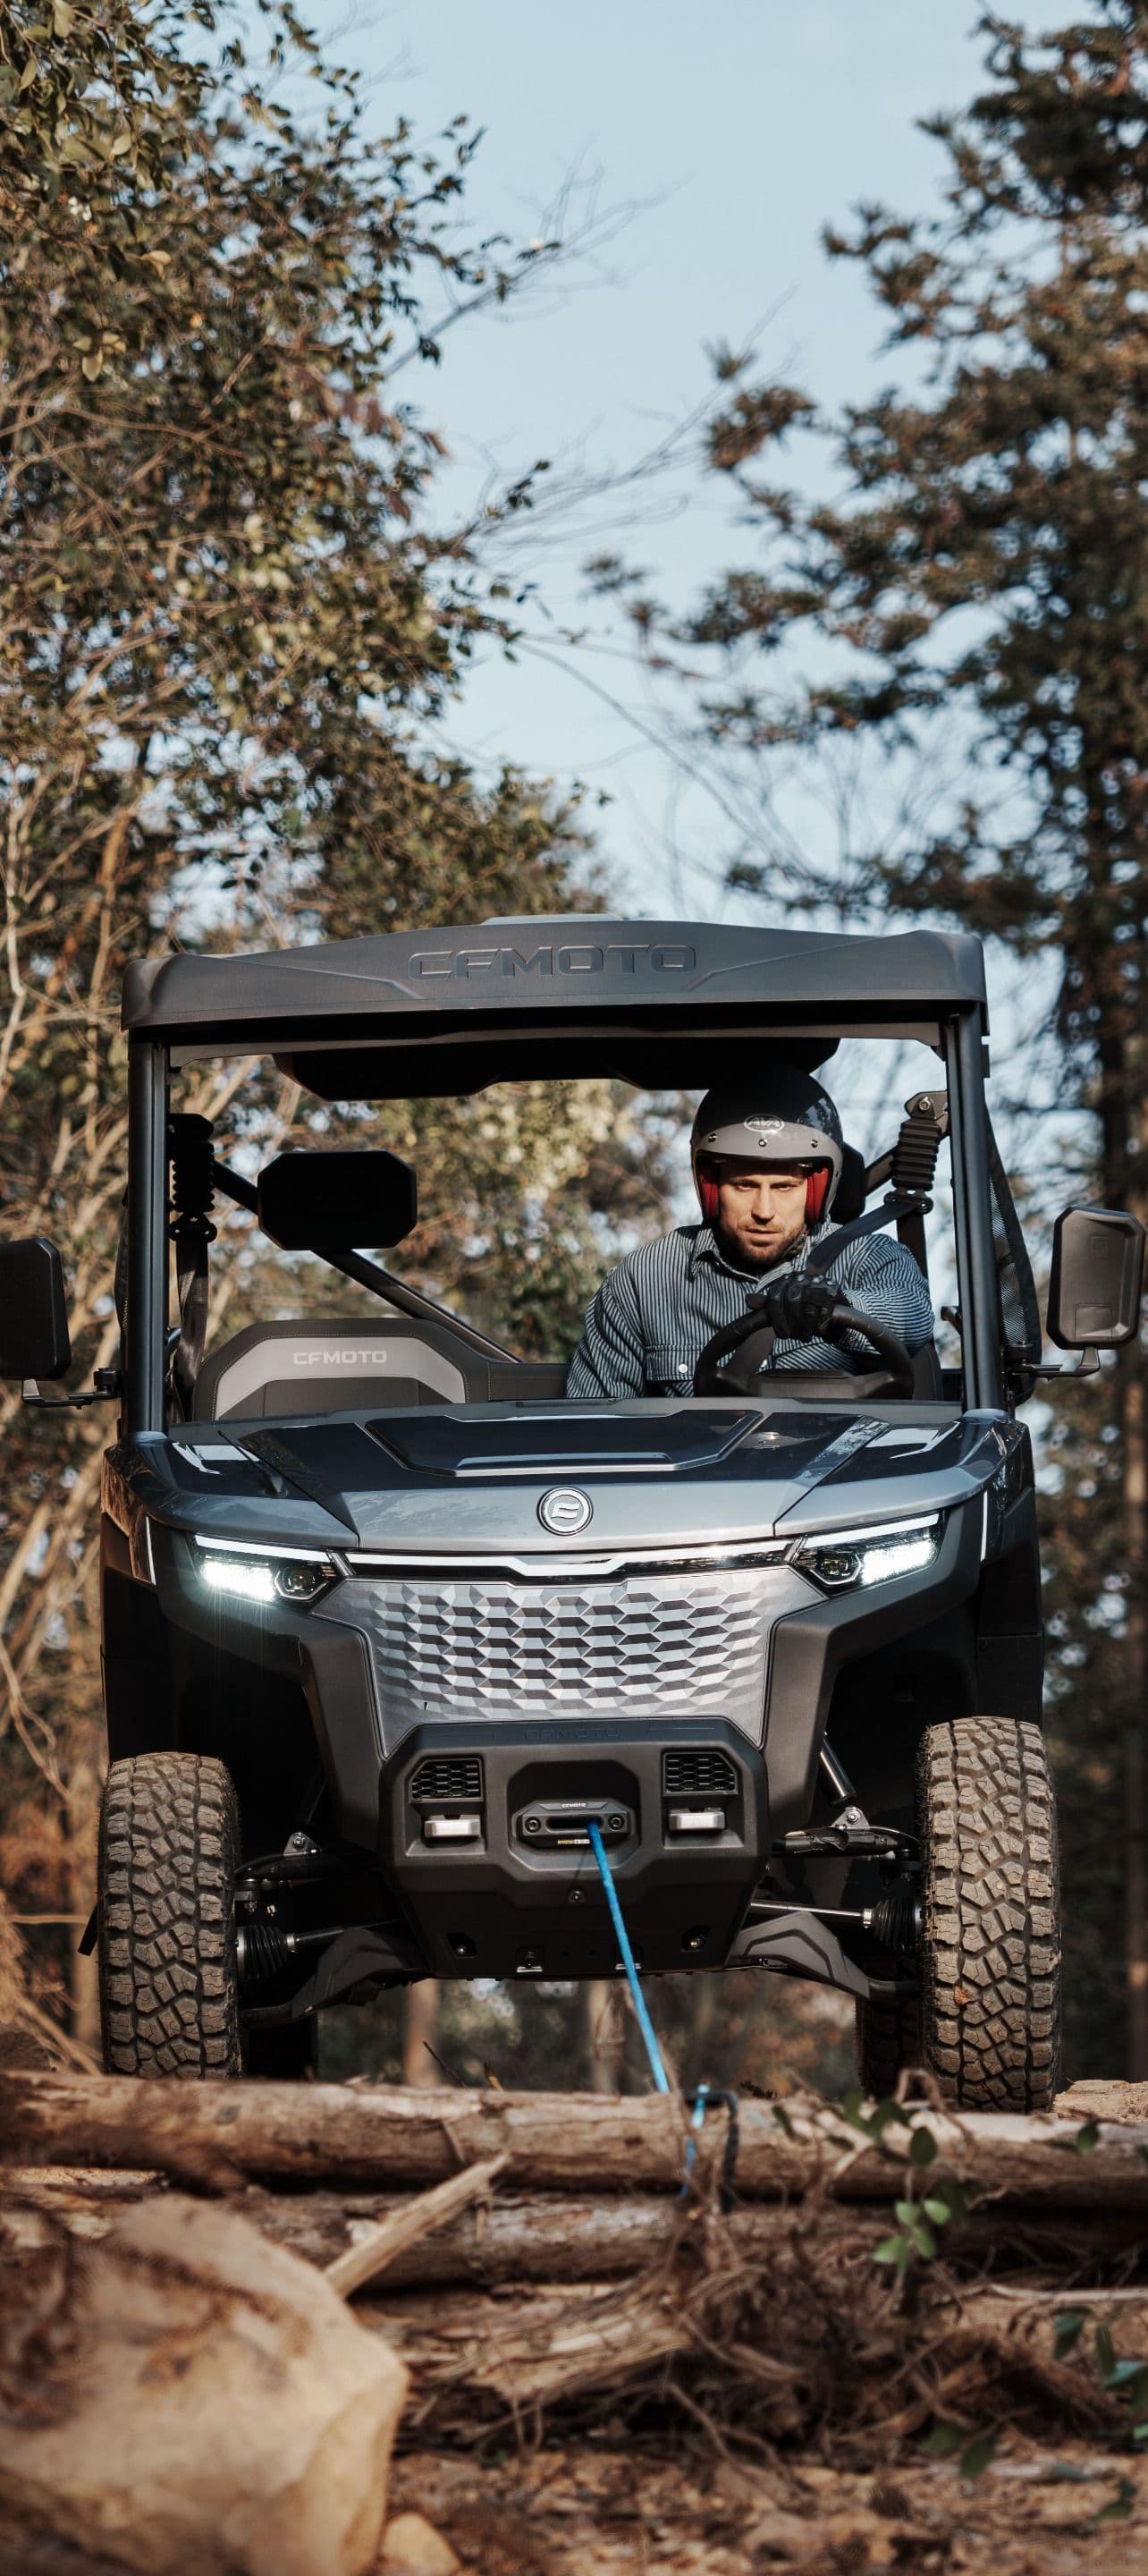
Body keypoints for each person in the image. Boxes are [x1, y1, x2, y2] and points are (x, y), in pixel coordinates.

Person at [566, 1070, 934, 1400]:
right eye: (744, 1185)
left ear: (817, 1191)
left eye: (785, 1187)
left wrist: (837, 1307)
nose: (764, 1210)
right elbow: (596, 1424)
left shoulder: (869, 1255)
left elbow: (914, 1315)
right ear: (710, 1187)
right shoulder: (644, 1279)